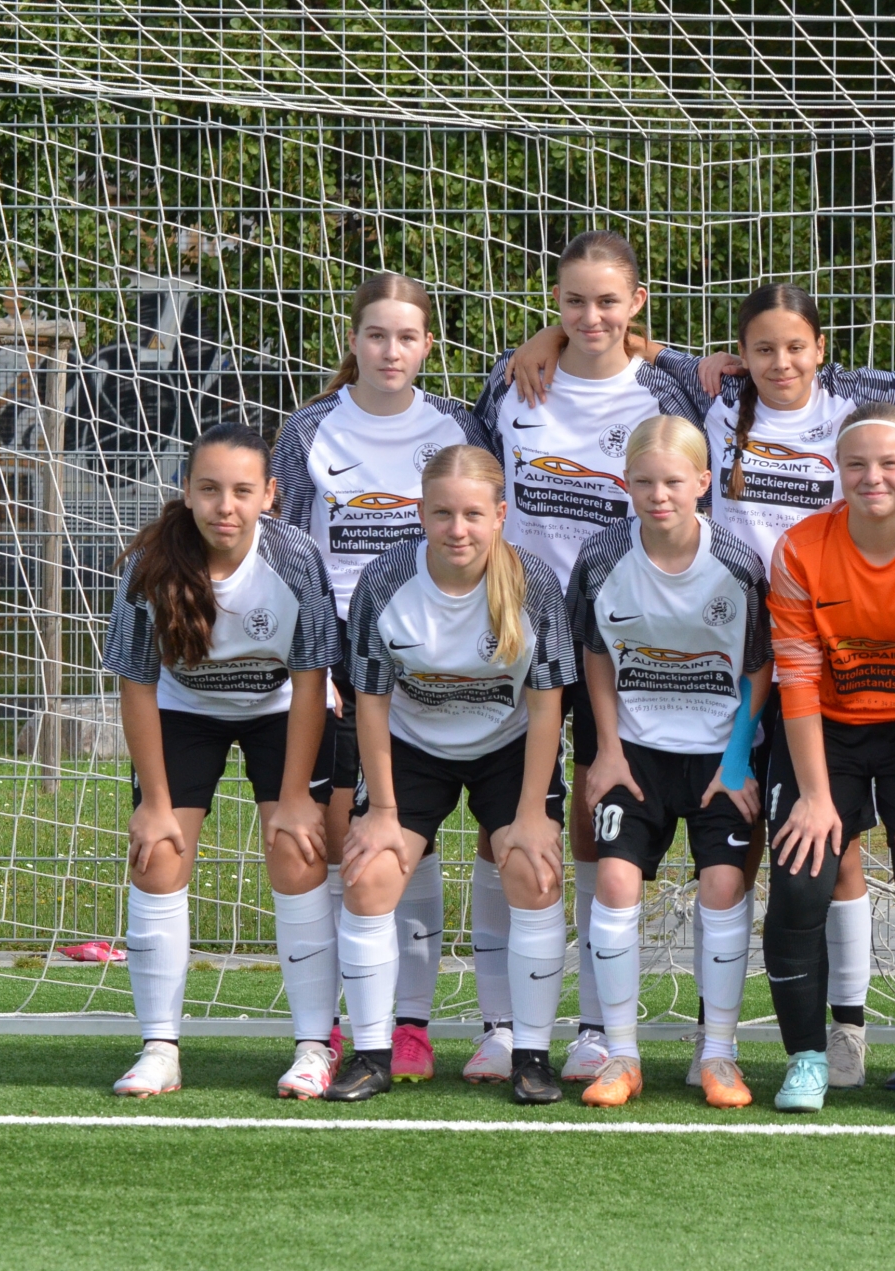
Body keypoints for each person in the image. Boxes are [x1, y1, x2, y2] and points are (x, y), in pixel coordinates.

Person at [507, 282, 895, 1092]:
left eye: (796, 346)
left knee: (831, 848)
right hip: (705, 667)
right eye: (761, 348)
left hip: (794, 667)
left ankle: (830, 1031)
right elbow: (628, 343)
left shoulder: (852, 401)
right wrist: (550, 338)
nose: (780, 362)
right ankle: (606, 1037)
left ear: (821, 349)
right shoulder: (709, 399)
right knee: (613, 858)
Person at [474, 230, 713, 1085]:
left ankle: (590, 1024)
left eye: (609, 301)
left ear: (637, 303)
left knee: (593, 810)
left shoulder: (665, 386)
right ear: (554, 302)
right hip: (519, 623)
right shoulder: (511, 383)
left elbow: (717, 383)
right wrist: (537, 343)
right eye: (572, 301)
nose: (590, 316)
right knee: (505, 817)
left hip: (628, 633)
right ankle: (501, 1020)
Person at [273, 272, 494, 1084]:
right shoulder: (310, 429)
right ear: (353, 340)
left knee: (414, 839)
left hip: (441, 651)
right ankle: (334, 1025)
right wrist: (315, 665)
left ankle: (412, 1026)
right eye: (376, 335)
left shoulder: (457, 425)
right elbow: (290, 550)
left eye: (406, 337)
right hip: (343, 659)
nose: (390, 351)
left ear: (428, 344)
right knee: (354, 845)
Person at [323, 445, 575, 1104]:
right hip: (411, 747)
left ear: (500, 515)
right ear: (420, 513)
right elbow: (370, 703)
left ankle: (531, 1055)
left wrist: (532, 814)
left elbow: (546, 707)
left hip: (508, 746)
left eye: (472, 514)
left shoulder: (535, 583)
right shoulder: (384, 579)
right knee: (369, 874)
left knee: (533, 870)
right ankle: (372, 1053)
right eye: (442, 514)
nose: (456, 529)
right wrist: (381, 812)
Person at [105, 424, 340, 1099]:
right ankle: (159, 1048)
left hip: (280, 708)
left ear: (270, 494)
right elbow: (136, 684)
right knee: (157, 854)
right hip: (184, 709)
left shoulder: (295, 557)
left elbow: (310, 680)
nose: (225, 506)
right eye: (209, 489)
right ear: (186, 491)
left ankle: (313, 1046)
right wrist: (154, 804)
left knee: (297, 849)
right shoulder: (150, 564)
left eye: (242, 490)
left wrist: (294, 798)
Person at [761, 402, 895, 1115]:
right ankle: (808, 1060)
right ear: (836, 469)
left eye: (889, 463)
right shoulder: (800, 549)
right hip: (824, 734)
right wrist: (816, 797)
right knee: (801, 882)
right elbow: (796, 679)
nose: (872, 477)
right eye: (856, 464)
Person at [565, 415, 772, 1109]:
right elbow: (595, 652)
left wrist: (737, 760)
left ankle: (718, 1054)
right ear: (625, 483)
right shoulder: (601, 557)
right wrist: (607, 748)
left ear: (703, 483)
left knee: (723, 886)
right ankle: (621, 1055)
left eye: (674, 482)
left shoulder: (738, 564)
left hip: (717, 756)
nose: (659, 495)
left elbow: (760, 666)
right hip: (636, 755)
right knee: (614, 881)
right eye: (645, 482)